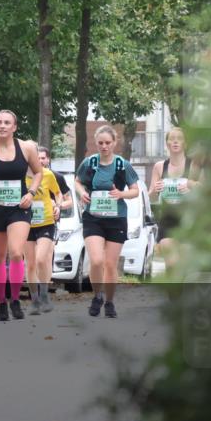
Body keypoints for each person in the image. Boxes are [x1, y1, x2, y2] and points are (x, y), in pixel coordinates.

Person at [0, 110, 43, 321]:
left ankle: (15, 300)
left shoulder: (26, 148)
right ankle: (0, 303)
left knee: (16, 252)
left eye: (7, 123)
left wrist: (32, 193)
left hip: (19, 206)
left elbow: (39, 172)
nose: (2, 126)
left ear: (14, 127)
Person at [74, 125, 140, 318]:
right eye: (100, 143)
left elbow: (135, 190)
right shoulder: (89, 163)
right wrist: (83, 193)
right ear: (96, 143)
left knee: (110, 265)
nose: (104, 146)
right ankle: (97, 296)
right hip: (93, 218)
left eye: (108, 143)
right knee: (96, 260)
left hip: (116, 219)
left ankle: (110, 302)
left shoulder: (122, 165)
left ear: (114, 143)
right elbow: (77, 181)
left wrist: (121, 193)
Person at [26, 146, 73, 314]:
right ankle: (35, 300)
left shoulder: (50, 175)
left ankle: (44, 293)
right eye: (35, 158)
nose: (39, 161)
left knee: (41, 259)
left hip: (46, 221)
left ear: (48, 160)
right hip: (26, 223)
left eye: (42, 158)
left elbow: (60, 194)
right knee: (30, 264)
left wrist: (58, 205)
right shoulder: (21, 175)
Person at [148, 127, 201, 265]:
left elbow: (206, 189)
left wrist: (191, 184)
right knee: (172, 263)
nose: (175, 142)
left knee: (185, 264)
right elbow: (151, 197)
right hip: (167, 221)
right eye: (172, 139)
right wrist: (155, 190)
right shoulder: (159, 167)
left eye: (179, 138)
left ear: (185, 144)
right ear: (167, 144)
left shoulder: (194, 165)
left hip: (188, 221)